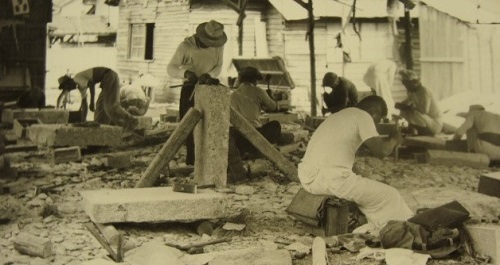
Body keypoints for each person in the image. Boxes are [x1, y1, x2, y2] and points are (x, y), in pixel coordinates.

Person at [298, 95, 413, 235]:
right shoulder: (363, 116)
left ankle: (372, 221)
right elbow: (381, 151)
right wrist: (395, 138)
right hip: (330, 181)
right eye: (378, 120)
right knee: (390, 195)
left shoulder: (339, 116)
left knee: (366, 186)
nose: (376, 124)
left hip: (308, 178)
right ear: (374, 112)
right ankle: (400, 231)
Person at [167, 20, 227, 165]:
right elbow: (171, 68)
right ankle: (192, 159)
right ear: (200, 36)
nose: (211, 45)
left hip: (209, 87)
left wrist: (209, 75)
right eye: (208, 41)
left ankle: (209, 159)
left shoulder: (218, 46)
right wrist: (185, 73)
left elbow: (218, 66)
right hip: (190, 88)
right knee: (189, 123)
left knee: (209, 122)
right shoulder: (186, 46)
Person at [57, 67, 138, 130]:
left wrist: (92, 102)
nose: (69, 90)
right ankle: (118, 126)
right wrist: (83, 122)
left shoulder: (77, 79)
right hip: (106, 79)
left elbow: (91, 84)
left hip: (109, 76)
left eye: (67, 87)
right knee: (100, 106)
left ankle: (132, 120)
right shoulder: (80, 86)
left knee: (111, 106)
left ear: (69, 82)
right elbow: (84, 104)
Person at [395, 69, 442, 136]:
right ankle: (407, 129)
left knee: (412, 112)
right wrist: (399, 105)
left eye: (406, 84)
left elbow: (424, 111)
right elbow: (405, 103)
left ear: (414, 82)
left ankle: (423, 131)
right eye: (404, 84)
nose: (405, 87)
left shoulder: (424, 91)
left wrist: (411, 107)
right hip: (426, 121)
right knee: (404, 111)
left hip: (435, 124)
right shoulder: (412, 92)